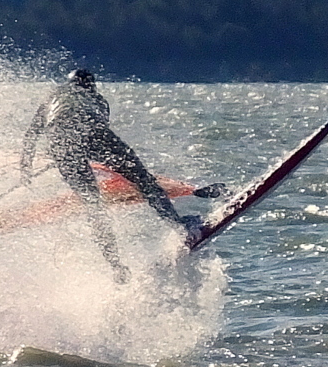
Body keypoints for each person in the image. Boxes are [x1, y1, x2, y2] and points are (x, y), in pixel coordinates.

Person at [21, 69, 201, 282]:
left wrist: (26, 167)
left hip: (60, 143)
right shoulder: (98, 99)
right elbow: (97, 135)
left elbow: (31, 135)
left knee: (94, 205)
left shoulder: (51, 97)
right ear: (92, 86)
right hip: (92, 133)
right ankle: (179, 226)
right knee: (144, 181)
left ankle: (116, 266)